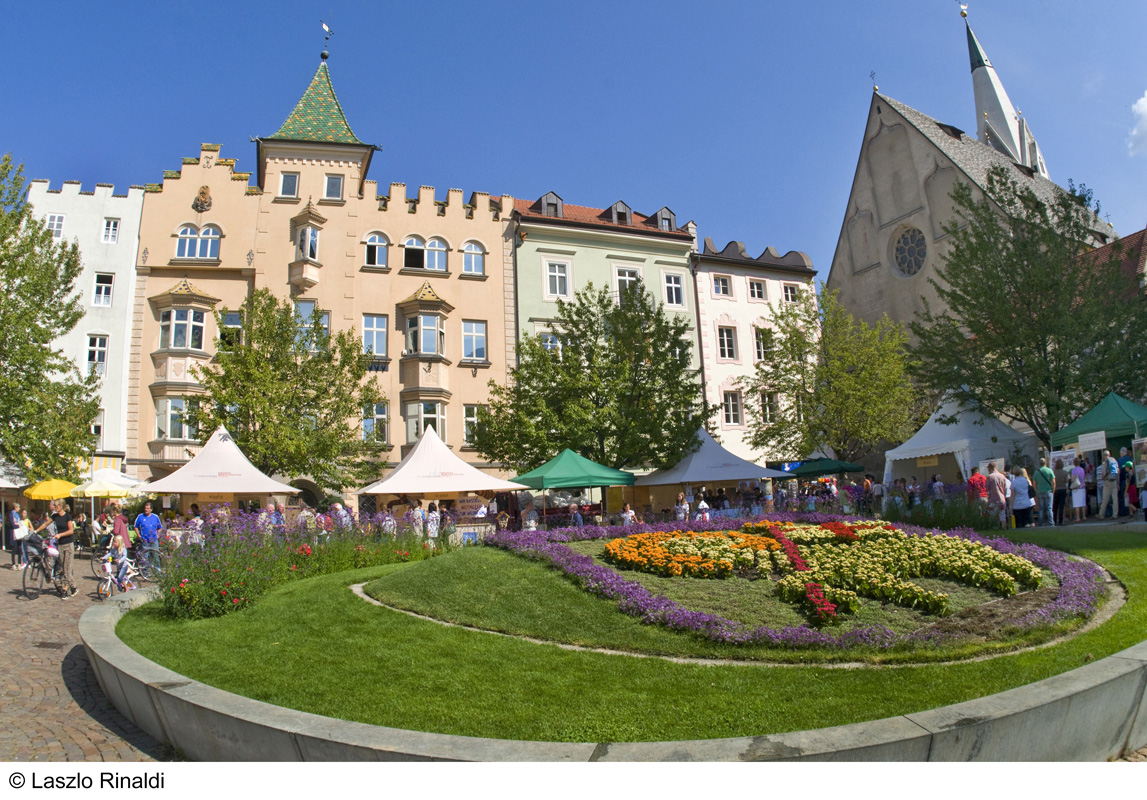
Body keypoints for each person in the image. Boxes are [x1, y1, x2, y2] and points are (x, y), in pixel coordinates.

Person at [36, 498, 77, 598]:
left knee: (67, 571)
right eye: (55, 505)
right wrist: (35, 531)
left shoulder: (67, 516)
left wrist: (60, 535)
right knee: (62, 569)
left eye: (57, 505)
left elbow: (71, 531)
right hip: (60, 545)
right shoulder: (55, 516)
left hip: (68, 545)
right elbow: (45, 524)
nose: (55, 507)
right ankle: (72, 588)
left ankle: (67, 590)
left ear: (62, 506)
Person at [133, 501, 163, 570]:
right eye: (145, 508)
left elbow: (160, 527)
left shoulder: (155, 517)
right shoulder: (140, 516)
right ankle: (145, 573)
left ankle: (157, 571)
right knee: (144, 557)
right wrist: (139, 535)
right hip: (145, 540)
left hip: (154, 540)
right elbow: (135, 526)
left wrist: (158, 534)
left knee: (155, 556)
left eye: (147, 508)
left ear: (151, 510)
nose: (146, 510)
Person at [986, 463, 1010, 528]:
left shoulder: (990, 477)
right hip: (1002, 499)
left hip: (993, 500)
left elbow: (987, 489)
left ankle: (995, 529)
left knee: (993, 516)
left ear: (990, 468)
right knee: (1002, 516)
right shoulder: (1002, 476)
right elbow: (1005, 488)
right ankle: (1003, 529)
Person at [1098, 449, 1120, 520]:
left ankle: (1101, 515)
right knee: (1115, 499)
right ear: (1109, 455)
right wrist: (1118, 483)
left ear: (1104, 455)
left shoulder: (1104, 463)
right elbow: (1117, 472)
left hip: (1107, 482)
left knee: (1105, 499)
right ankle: (1115, 514)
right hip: (1114, 482)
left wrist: (1102, 478)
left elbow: (1104, 474)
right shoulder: (1114, 461)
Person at [1034, 457, 1056, 527]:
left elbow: (1034, 483)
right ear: (1045, 463)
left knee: (1041, 508)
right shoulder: (1049, 470)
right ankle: (1051, 523)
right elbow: (1053, 482)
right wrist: (1053, 490)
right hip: (1049, 491)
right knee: (1049, 508)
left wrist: (1036, 491)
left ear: (1039, 464)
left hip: (1040, 492)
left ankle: (1040, 523)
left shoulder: (1036, 472)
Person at [1052, 459, 1069, 526]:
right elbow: (1067, 481)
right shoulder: (1065, 472)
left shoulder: (1053, 472)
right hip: (1063, 489)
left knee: (1055, 506)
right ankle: (1061, 521)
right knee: (1061, 506)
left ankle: (1054, 520)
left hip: (1055, 490)